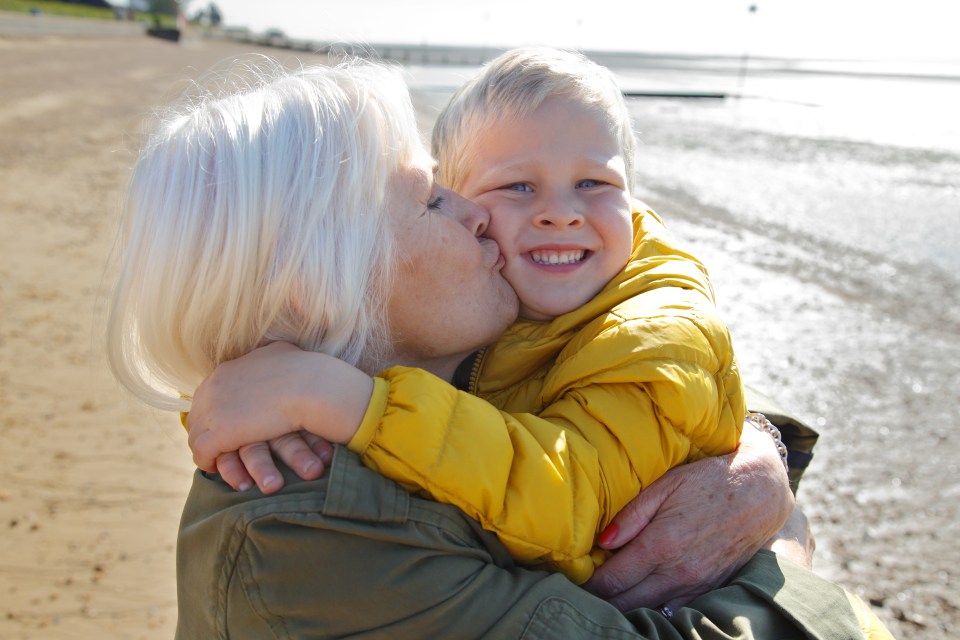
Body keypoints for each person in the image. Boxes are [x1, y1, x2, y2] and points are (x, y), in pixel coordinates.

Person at [107, 56, 891, 638]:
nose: (479, 215)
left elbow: (634, 395)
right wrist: (784, 552)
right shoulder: (304, 541)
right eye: (431, 196)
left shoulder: (426, 389)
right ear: (315, 278)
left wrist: (759, 455)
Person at [188, 47, 749, 586]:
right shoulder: (499, 309)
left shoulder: (658, 332)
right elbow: (278, 386)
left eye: (594, 183)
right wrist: (243, 400)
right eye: (517, 186)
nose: (560, 213)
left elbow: (568, 499)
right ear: (463, 204)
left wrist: (345, 401)